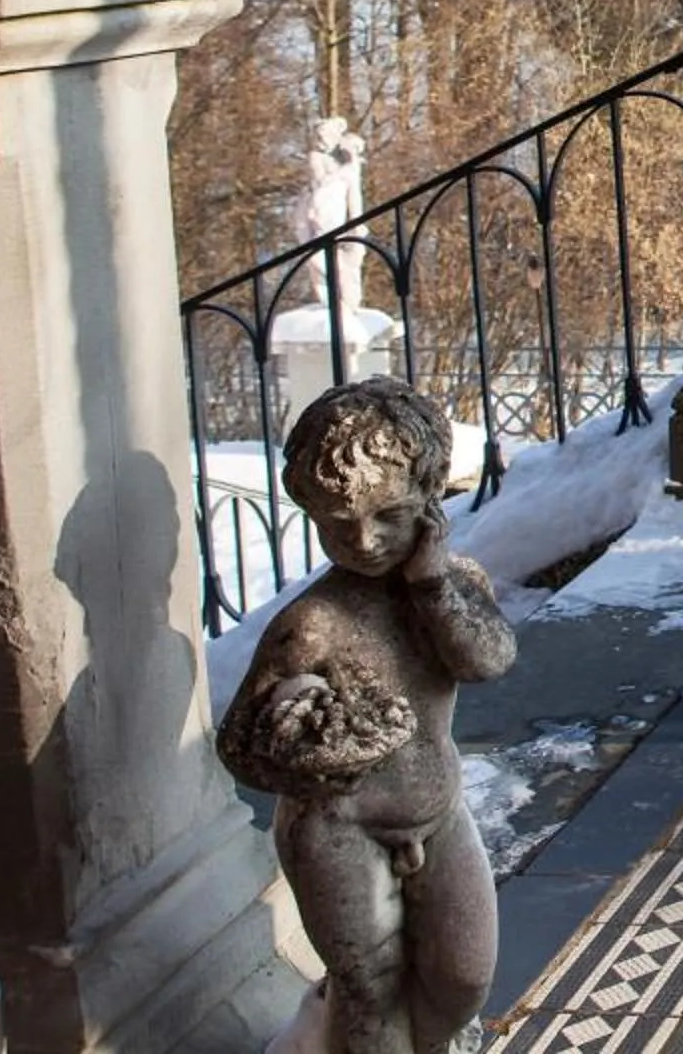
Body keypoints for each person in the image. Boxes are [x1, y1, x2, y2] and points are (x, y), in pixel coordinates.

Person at [218, 380, 514, 1054]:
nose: (365, 539)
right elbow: (238, 743)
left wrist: (433, 584)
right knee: (370, 990)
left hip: (438, 814)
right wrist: (305, 735)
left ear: (431, 500)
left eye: (388, 515)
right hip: (337, 830)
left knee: (465, 975)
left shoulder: (449, 587)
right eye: (337, 523)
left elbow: (488, 659)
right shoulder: (312, 623)